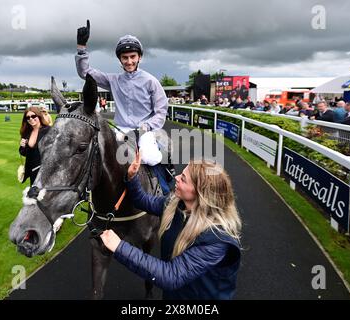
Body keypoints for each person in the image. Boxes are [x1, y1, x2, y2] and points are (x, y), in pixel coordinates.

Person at [100, 152, 242, 300]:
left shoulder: (216, 240)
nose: (176, 177)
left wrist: (119, 247)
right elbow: (142, 200)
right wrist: (132, 177)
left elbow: (171, 276)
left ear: (200, 193)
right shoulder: (174, 205)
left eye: (183, 179)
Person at [75, 20, 170, 169]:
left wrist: (144, 127)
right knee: (97, 155)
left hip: (144, 131)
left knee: (150, 158)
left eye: (132, 56)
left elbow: (161, 112)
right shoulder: (113, 80)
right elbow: (84, 73)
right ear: (120, 59)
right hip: (120, 130)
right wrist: (81, 48)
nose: (129, 61)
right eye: (125, 58)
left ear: (139, 57)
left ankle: (164, 179)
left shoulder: (151, 81)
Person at [19, 107, 51, 185]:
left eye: (33, 116)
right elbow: (24, 153)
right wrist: (22, 146)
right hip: (33, 171)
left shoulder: (48, 130)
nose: (31, 119)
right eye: (28, 117)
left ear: (39, 116)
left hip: (46, 171)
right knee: (34, 195)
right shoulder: (27, 132)